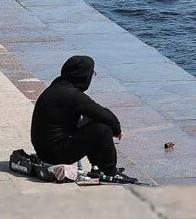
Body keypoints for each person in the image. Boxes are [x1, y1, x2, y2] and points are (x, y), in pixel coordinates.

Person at [30, 55, 137, 184]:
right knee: (102, 128)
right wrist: (117, 130)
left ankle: (98, 167)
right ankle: (110, 172)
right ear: (84, 76)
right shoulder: (71, 94)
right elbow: (105, 115)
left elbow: (93, 112)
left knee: (90, 118)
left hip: (45, 149)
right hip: (54, 153)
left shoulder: (59, 85)